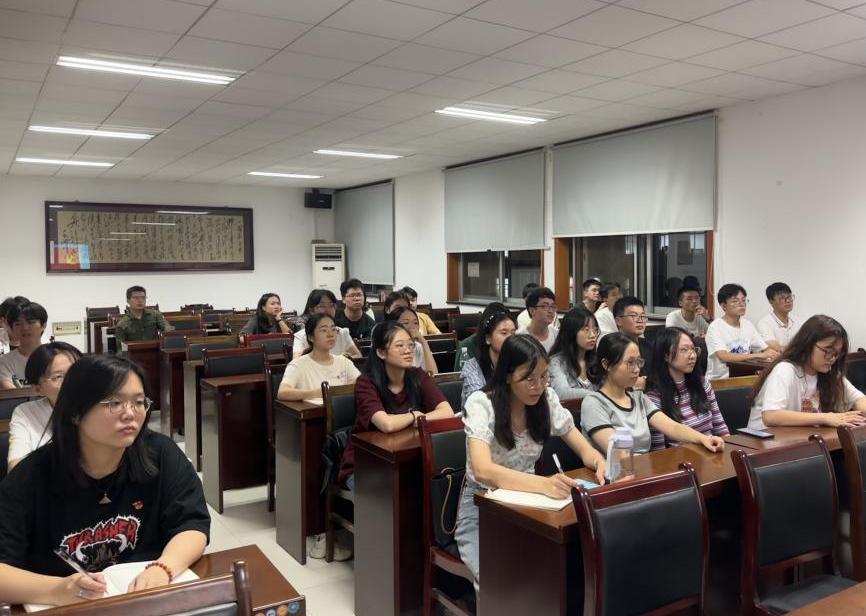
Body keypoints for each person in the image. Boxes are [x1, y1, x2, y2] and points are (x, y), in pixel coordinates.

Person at [0, 355, 209, 606]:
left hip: (147, 600)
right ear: (75, 413)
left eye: (139, 402)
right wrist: (58, 590)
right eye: (114, 403)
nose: (130, 413)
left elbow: (192, 524)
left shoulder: (160, 454)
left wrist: (163, 568)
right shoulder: (30, 477)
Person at [456, 335, 606, 592]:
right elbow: (482, 469)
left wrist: (599, 461)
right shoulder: (482, 404)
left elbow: (584, 449)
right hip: (482, 505)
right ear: (507, 376)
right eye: (529, 378)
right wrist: (543, 484)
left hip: (530, 505)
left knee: (556, 570)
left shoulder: (546, 399)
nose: (538, 386)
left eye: (544, 376)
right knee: (498, 578)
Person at [338, 321, 454, 490]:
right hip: (365, 466)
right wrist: (415, 415)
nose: (408, 350)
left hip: (406, 462)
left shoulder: (418, 375)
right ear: (381, 352)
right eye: (399, 346)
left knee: (440, 483)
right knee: (398, 492)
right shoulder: (365, 383)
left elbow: (447, 411)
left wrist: (412, 418)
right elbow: (387, 424)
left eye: (410, 345)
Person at [581, 333, 726, 455]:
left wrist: (704, 439)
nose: (637, 369)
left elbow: (672, 427)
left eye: (639, 362)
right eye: (630, 363)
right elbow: (616, 452)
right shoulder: (593, 403)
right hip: (616, 473)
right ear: (606, 364)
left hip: (643, 470)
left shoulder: (639, 398)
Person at [747, 315, 866, 430]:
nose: (832, 358)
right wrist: (825, 418)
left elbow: (858, 399)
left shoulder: (829, 373)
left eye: (837, 353)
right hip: (764, 439)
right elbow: (771, 416)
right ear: (807, 344)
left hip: (799, 437)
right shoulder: (785, 369)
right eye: (828, 351)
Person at [645, 328, 729, 450]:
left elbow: (721, 428)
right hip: (679, 458)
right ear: (666, 355)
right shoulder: (654, 396)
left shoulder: (702, 383)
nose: (692, 355)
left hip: (712, 452)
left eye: (693, 349)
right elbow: (659, 450)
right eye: (684, 350)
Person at [7, 342, 82, 471]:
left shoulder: (102, 407)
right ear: (37, 388)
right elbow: (16, 469)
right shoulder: (26, 414)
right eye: (58, 376)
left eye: (76, 371)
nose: (72, 380)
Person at [278, 313, 361, 402]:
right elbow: (283, 392)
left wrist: (343, 390)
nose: (330, 334)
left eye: (333, 329)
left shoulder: (343, 361)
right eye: (324, 330)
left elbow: (362, 384)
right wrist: (319, 393)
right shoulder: (298, 364)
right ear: (311, 337)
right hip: (314, 410)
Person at [705, 284, 778, 380]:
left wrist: (770, 354)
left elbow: (764, 349)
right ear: (723, 306)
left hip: (744, 377)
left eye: (743, 300)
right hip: (720, 381)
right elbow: (723, 356)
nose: (741, 304)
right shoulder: (715, 327)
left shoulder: (747, 324)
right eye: (735, 301)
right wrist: (759, 355)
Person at [460, 306, 516, 408]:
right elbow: (478, 403)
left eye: (513, 333)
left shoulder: (519, 363)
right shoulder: (472, 367)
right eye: (504, 333)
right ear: (488, 338)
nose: (510, 338)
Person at [292, 290, 361, 359]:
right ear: (312, 311)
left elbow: (358, 355)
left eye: (331, 305)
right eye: (322, 306)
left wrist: (341, 359)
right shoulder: (302, 336)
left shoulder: (342, 333)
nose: (328, 309)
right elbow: (296, 361)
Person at [548, 306, 598, 401]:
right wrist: (598, 395)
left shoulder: (597, 360)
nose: (593, 335)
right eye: (586, 330)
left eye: (595, 329)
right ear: (571, 332)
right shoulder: (556, 362)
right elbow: (562, 392)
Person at [0, 301, 48, 389]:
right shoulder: (5, 362)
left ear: (43, 325)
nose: (25, 328)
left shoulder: (56, 358)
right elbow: (12, 392)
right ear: (11, 328)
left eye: (31, 322)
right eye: (18, 324)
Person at [613, 296, 652, 387]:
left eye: (643, 316)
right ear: (618, 321)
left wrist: (646, 382)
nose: (640, 320)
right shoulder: (612, 347)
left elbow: (659, 376)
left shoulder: (648, 345)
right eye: (633, 316)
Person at [386, 307, 438, 374]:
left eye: (415, 323)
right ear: (393, 326)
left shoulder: (419, 347)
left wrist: (424, 342)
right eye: (406, 323)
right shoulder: (390, 348)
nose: (412, 327)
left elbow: (433, 375)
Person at [757, 282, 800, 352]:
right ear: (771, 301)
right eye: (782, 298)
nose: (788, 301)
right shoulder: (764, 323)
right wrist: (799, 349)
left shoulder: (798, 321)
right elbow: (775, 348)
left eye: (789, 297)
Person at [516, 287, 558, 353]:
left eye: (552, 306)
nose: (551, 311)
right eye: (545, 306)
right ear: (532, 311)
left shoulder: (557, 335)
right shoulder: (519, 337)